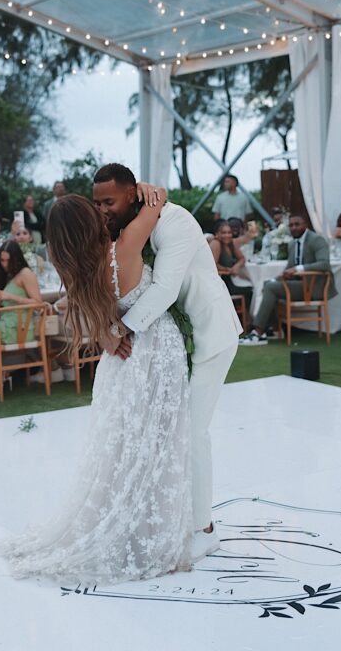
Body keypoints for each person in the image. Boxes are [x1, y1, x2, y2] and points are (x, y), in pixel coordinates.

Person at [0, 185, 193, 585]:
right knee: (159, 443)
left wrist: (105, 332)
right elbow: (156, 203)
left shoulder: (80, 272)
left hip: (119, 360)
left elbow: (90, 319)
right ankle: (153, 536)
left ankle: (131, 526)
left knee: (120, 448)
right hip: (155, 350)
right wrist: (148, 190)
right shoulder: (124, 247)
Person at [92, 163, 241, 562]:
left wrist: (119, 330)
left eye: (110, 201)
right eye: (98, 203)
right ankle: (173, 515)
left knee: (193, 431)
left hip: (210, 334)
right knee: (171, 432)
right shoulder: (132, 226)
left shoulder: (176, 221)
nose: (104, 209)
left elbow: (163, 289)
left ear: (130, 194)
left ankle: (205, 529)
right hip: (172, 342)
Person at [0, 240, 50, 400]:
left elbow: (38, 303)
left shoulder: (25, 273)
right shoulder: (9, 276)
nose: (5, 264)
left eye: (8, 260)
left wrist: (9, 296)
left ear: (17, 259)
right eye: (2, 260)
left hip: (19, 329)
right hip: (6, 324)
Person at [243, 213, 335, 344]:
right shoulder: (292, 244)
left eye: (297, 224)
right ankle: (274, 330)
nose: (294, 228)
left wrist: (298, 269)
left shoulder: (317, 240)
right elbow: (290, 267)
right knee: (268, 283)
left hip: (314, 288)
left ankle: (257, 332)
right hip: (299, 284)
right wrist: (283, 275)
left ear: (305, 225)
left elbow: (325, 264)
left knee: (271, 287)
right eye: (291, 225)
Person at [209, 220, 245, 296]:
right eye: (223, 233)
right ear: (217, 233)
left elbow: (242, 258)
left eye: (229, 233)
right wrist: (227, 269)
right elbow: (213, 265)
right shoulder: (216, 243)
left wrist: (236, 267)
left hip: (232, 279)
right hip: (222, 283)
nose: (227, 235)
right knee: (250, 290)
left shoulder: (231, 243)